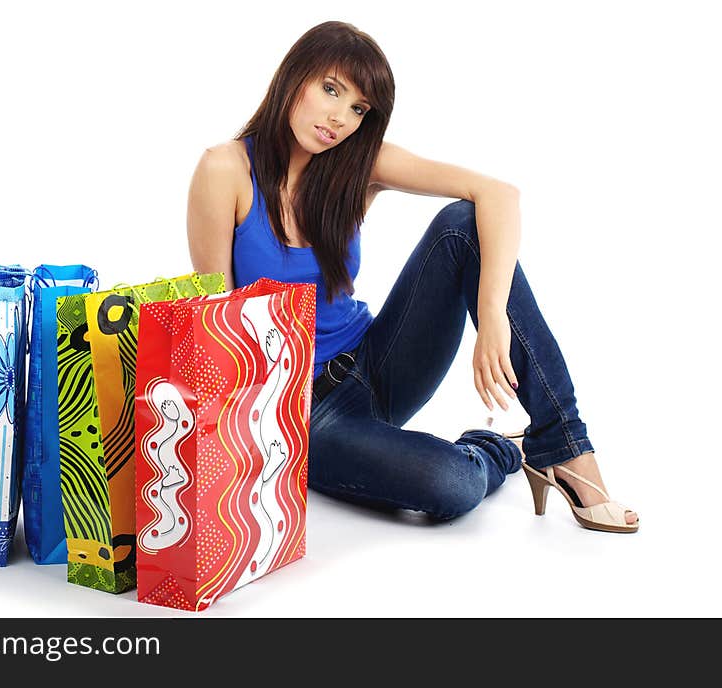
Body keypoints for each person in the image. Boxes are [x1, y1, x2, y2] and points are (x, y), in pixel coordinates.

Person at [186, 20, 638, 532]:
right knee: (452, 485)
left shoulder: (355, 164)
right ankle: (500, 450)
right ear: (295, 77)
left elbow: (497, 195)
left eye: (358, 108)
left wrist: (491, 315)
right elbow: (212, 320)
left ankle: (564, 445)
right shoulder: (224, 170)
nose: (340, 118)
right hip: (300, 410)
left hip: (379, 363)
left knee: (462, 226)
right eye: (331, 90)